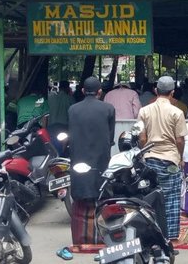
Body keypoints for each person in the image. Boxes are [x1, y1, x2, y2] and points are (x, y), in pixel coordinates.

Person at [66, 76, 115, 254]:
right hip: (100, 160)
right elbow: (110, 138)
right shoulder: (108, 108)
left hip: (79, 159)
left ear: (82, 90)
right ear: (100, 91)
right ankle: (101, 236)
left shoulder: (73, 109)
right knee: (101, 197)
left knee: (80, 199)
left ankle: (80, 238)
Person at [138, 76, 188, 244]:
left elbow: (142, 138)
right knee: (172, 197)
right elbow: (180, 140)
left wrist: (145, 152)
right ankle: (171, 235)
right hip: (170, 160)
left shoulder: (144, 111)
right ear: (173, 92)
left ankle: (153, 232)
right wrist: (180, 157)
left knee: (151, 196)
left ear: (155, 90)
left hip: (150, 159)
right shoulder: (177, 112)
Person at [48, 80, 75, 156]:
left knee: (51, 143)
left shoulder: (50, 98)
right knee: (63, 142)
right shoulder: (70, 99)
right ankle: (60, 156)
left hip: (51, 125)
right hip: (64, 126)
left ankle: (52, 156)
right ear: (67, 88)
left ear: (59, 88)